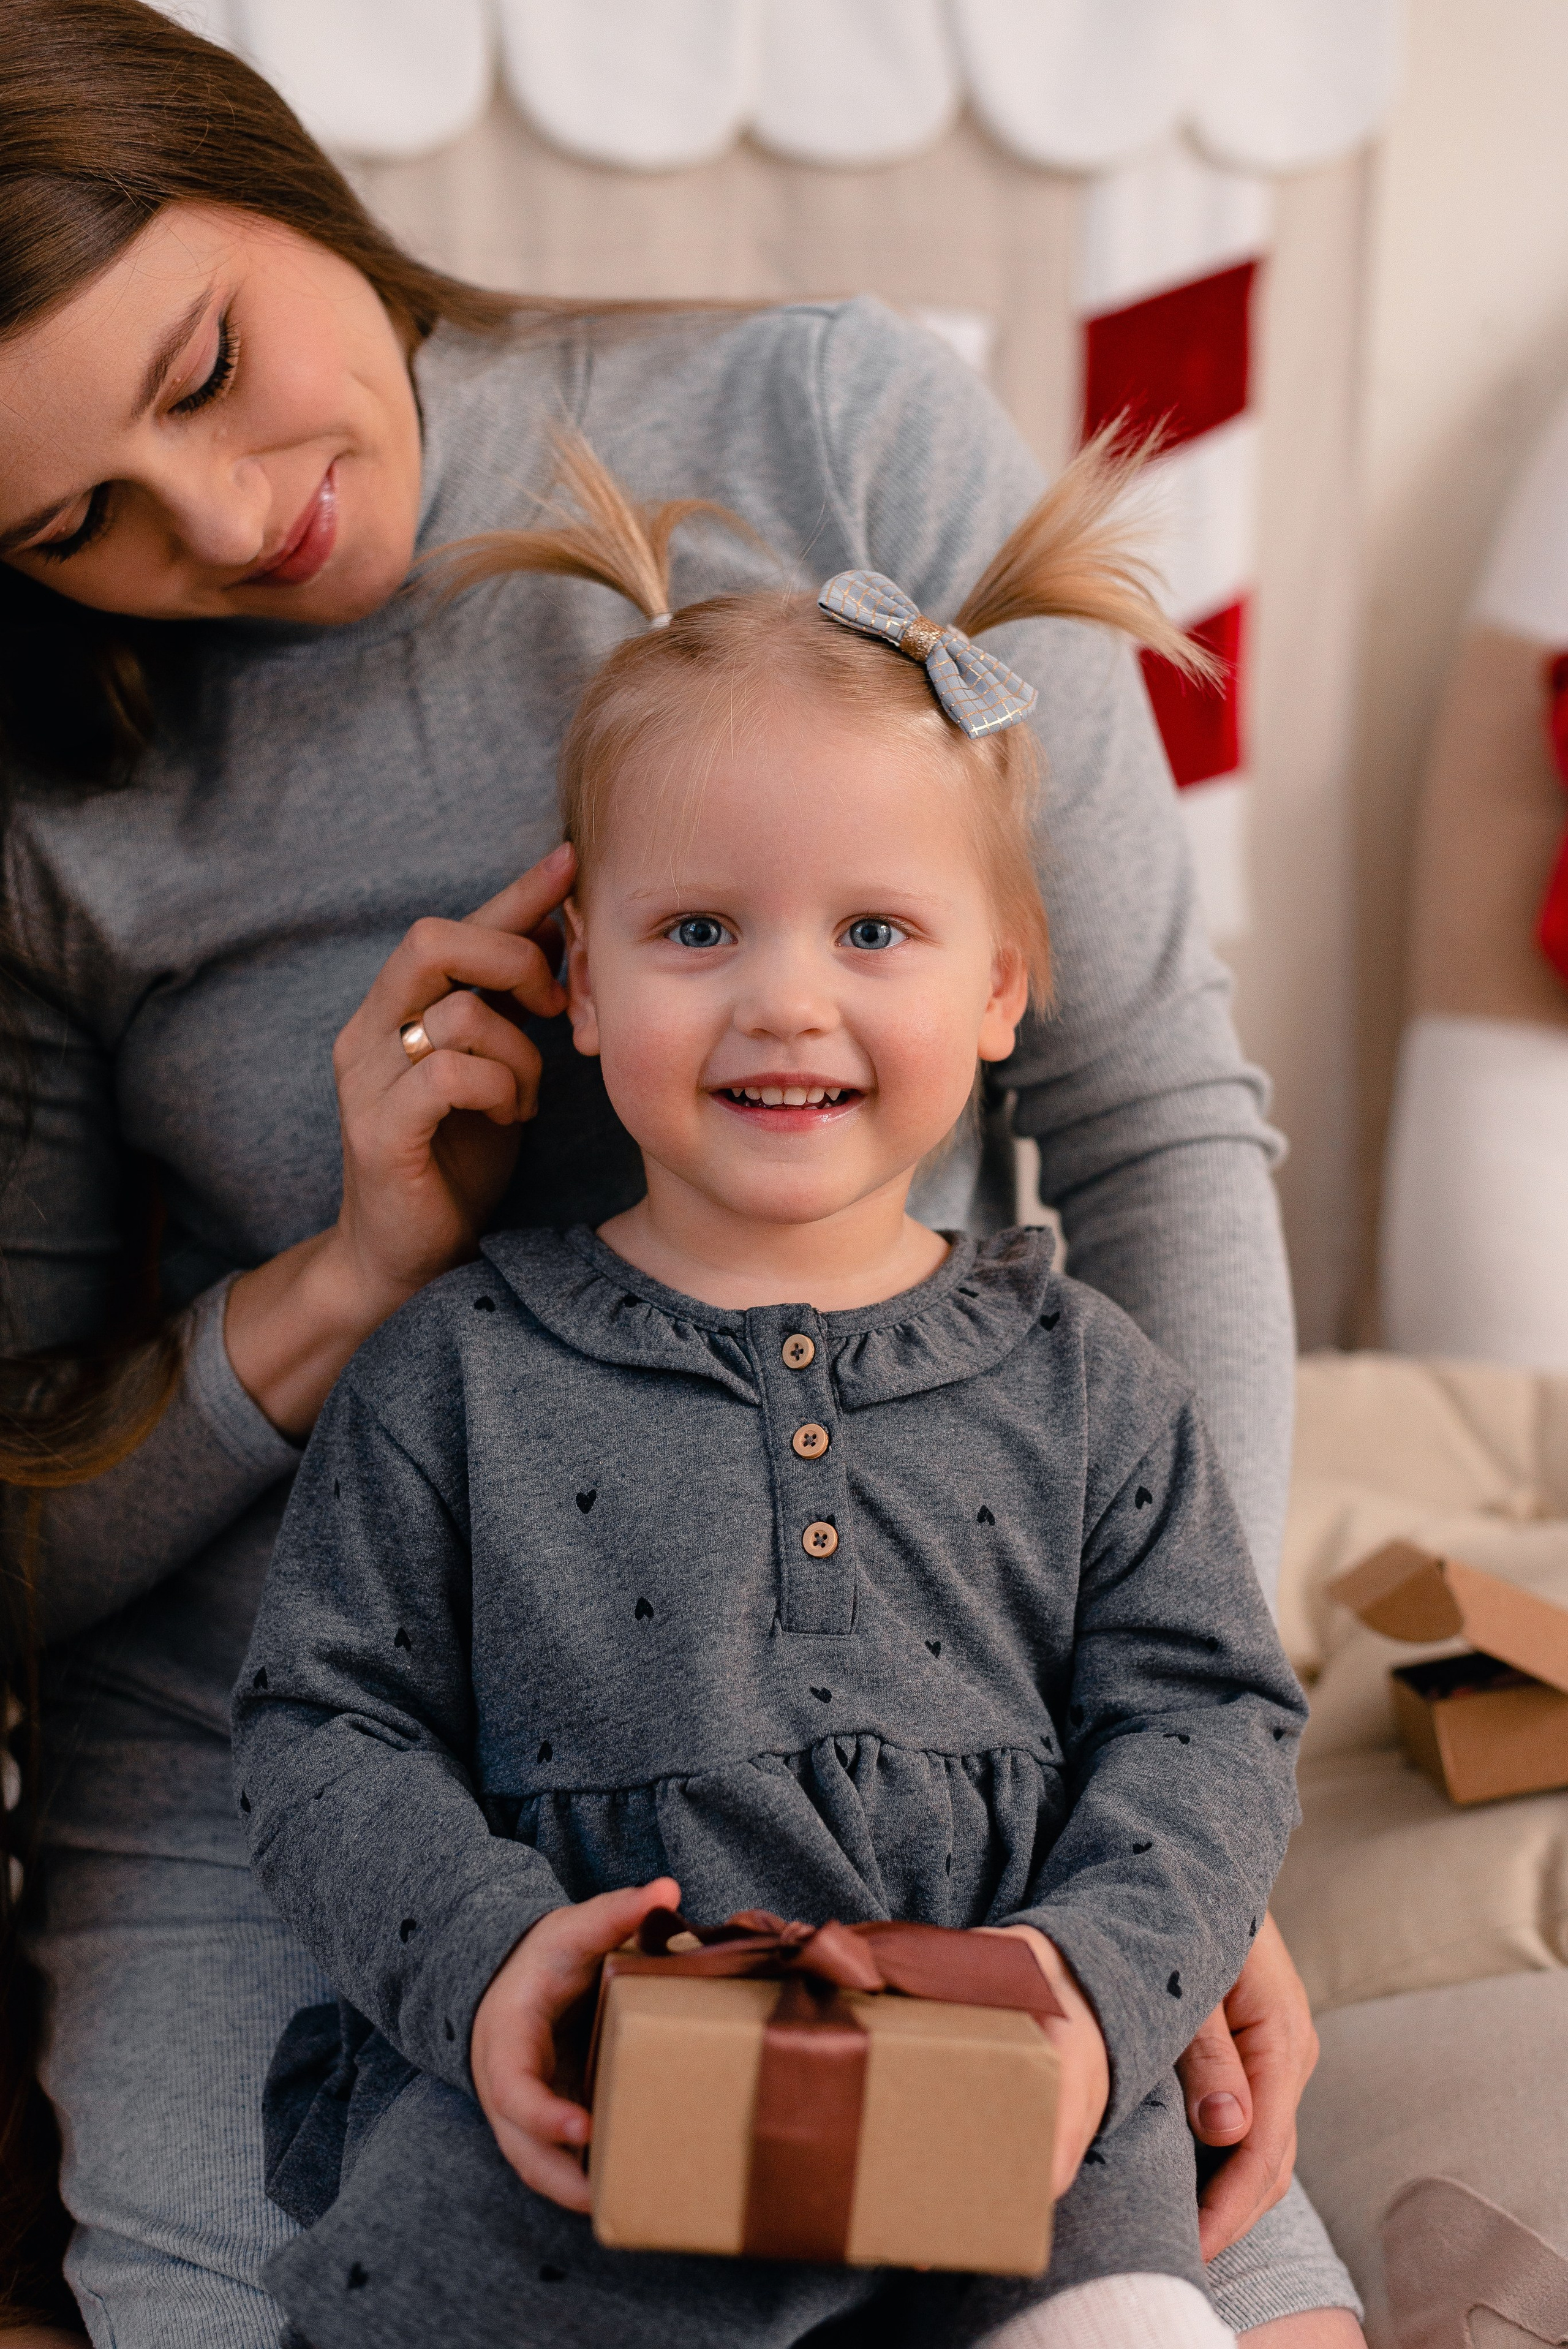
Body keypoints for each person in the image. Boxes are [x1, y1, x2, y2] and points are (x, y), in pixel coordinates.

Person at [0, 2, 1362, 2343]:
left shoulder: (821, 427)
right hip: (317, 1794)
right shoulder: (44, 785)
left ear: (266, 163)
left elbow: (1150, 1126)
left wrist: (1177, 1860)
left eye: (208, 363)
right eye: (69, 524)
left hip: (936, 1722)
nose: (222, 521)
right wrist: (340, 1286)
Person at [231, 438, 1311, 2349]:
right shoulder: (454, 1370)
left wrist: (1102, 1985)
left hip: (1015, 2126)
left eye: (873, 931)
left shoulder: (1090, 1382)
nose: (785, 1002)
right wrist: (485, 1963)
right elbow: (321, 1725)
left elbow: (1211, 1719)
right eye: (700, 930)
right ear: (579, 978)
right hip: (576, 2120)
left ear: (1004, 988)